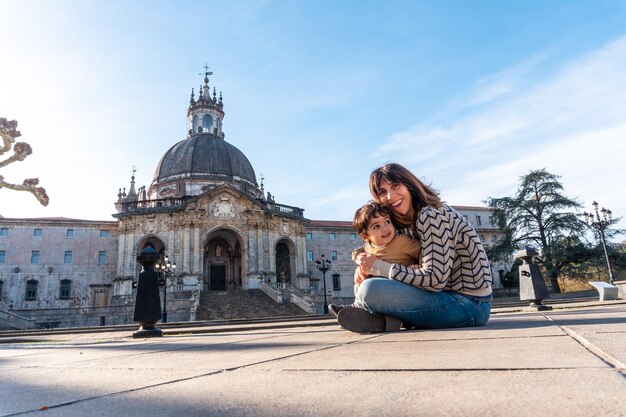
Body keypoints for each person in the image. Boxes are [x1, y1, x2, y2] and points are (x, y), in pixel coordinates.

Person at [336, 163, 493, 333]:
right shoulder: (406, 222)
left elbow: (434, 280)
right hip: (449, 297)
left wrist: (377, 266)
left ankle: (380, 316)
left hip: (470, 304)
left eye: (395, 186)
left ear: (409, 185)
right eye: (382, 192)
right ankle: (386, 321)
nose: (390, 195)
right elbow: (376, 246)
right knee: (369, 285)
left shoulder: (430, 215)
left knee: (369, 289)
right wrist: (362, 259)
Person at [329, 201, 421, 320]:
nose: (385, 228)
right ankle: (361, 306)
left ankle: (361, 308)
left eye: (387, 222)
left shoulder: (402, 242)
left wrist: (418, 265)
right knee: (359, 272)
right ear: (365, 236)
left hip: (399, 284)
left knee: (365, 278)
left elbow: (422, 251)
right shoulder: (369, 246)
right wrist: (359, 258)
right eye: (376, 226)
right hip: (378, 286)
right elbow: (356, 252)